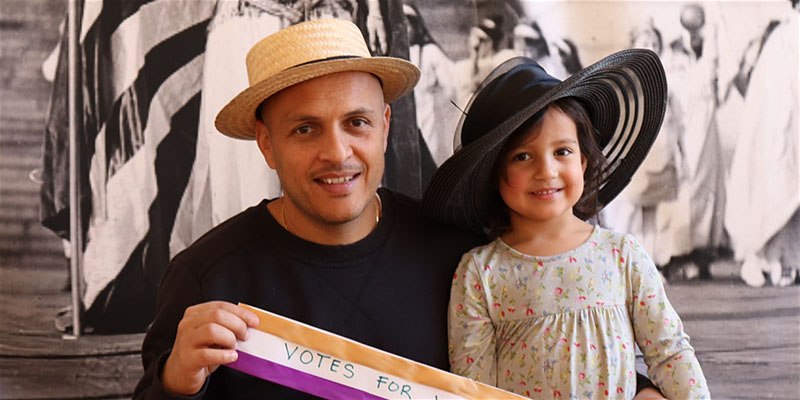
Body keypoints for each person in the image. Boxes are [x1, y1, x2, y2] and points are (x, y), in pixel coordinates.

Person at [133, 18, 664, 399]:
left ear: (386, 126)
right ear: (266, 143)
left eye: (357, 123)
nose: (337, 152)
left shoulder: (457, 252)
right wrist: (173, 384)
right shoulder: (207, 277)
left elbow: (549, 353)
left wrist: (639, 391)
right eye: (304, 129)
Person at [422, 54, 709, 398]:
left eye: (562, 151)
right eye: (522, 156)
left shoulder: (622, 256)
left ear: (584, 161)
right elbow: (474, 387)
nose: (547, 171)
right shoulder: (481, 273)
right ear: (493, 175)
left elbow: (670, 352)